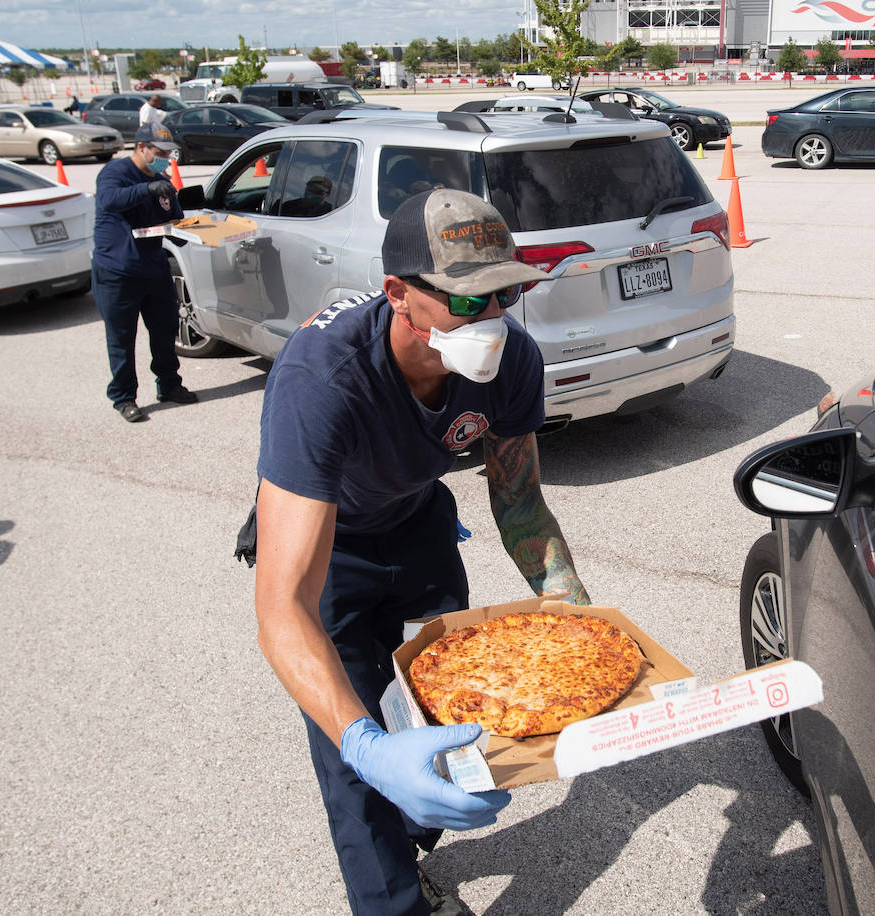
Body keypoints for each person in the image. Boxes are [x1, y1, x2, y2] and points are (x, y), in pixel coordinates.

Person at [253, 188, 590, 914]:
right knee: (355, 746)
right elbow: (281, 610)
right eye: (469, 301)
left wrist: (576, 614)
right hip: (326, 545)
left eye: (505, 295)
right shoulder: (323, 378)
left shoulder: (509, 361)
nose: (493, 320)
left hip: (418, 529)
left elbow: (520, 499)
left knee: (441, 709)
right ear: (399, 294)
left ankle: (408, 830)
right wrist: (366, 747)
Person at [91, 122, 197, 423]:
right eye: (159, 152)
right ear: (141, 147)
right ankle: (124, 397)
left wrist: (195, 231)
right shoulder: (115, 174)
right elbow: (110, 200)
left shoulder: (163, 181)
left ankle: (169, 385)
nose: (165, 157)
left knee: (164, 333)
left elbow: (173, 221)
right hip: (117, 272)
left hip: (154, 270)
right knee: (121, 339)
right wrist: (146, 188)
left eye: (168, 152)